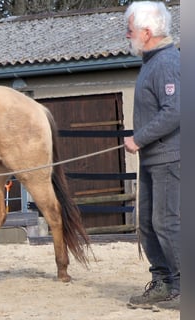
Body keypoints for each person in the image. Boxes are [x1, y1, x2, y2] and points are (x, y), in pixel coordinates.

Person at [123, 1, 180, 311]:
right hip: (152, 158)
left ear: (146, 32)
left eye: (130, 29)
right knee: (146, 223)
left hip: (170, 156)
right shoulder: (151, 62)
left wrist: (139, 138)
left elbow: (177, 110)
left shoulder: (169, 62)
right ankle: (163, 281)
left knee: (168, 223)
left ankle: (182, 285)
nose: (127, 34)